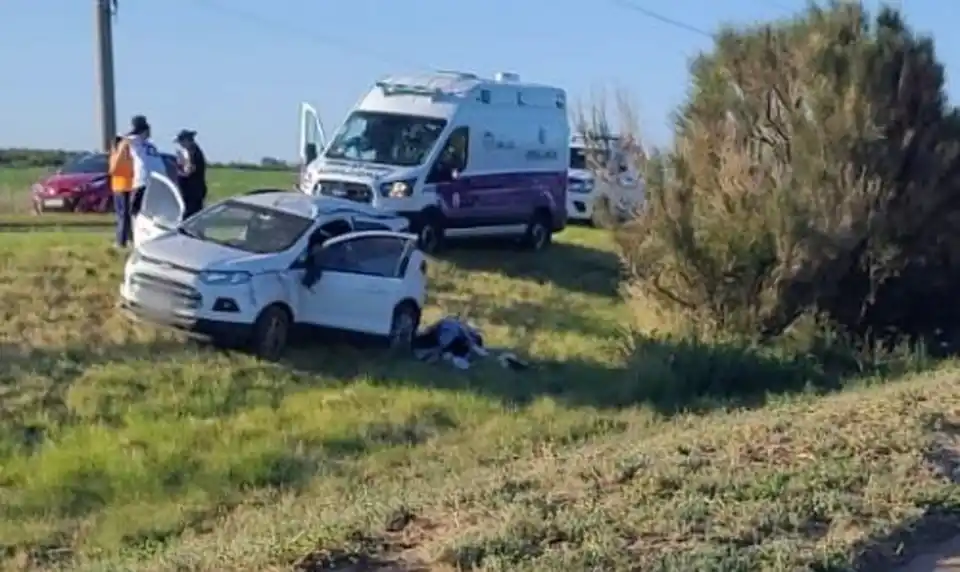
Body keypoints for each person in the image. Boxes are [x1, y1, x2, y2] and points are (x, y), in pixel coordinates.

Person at [174, 129, 208, 218]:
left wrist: (179, 170)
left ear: (187, 140)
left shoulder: (193, 153)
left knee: (190, 215)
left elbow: (189, 171)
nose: (180, 144)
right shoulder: (191, 151)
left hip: (193, 190)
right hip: (193, 189)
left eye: (181, 142)